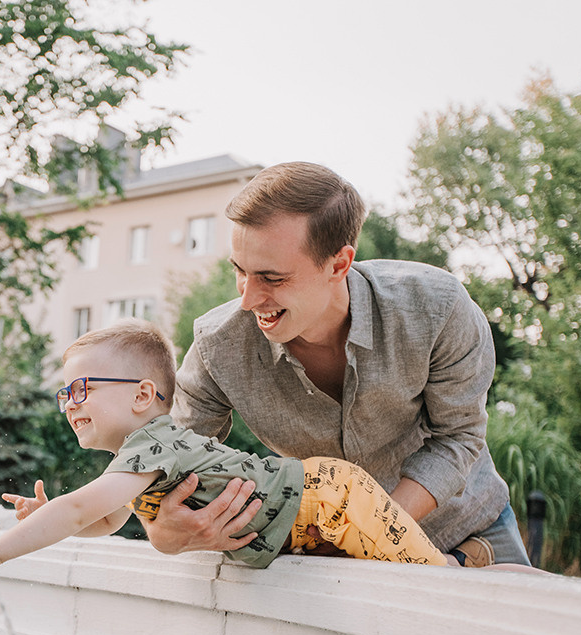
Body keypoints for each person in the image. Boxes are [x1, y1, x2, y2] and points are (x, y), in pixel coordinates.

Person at [142, 161, 532, 567]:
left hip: (470, 530)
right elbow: (169, 459)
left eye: (272, 278)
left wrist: (362, 534)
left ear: (339, 265)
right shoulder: (217, 347)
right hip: (337, 555)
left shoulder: (437, 308)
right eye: (240, 270)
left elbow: (457, 439)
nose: (247, 299)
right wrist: (162, 527)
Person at [0, 320, 463, 608]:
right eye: (63, 394)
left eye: (81, 389)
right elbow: (103, 520)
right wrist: (50, 519)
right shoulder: (136, 460)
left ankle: (475, 571)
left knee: (438, 589)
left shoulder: (151, 446)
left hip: (332, 499)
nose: (69, 404)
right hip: (313, 514)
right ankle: (479, 568)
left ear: (143, 395)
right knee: (430, 580)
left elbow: (77, 509)